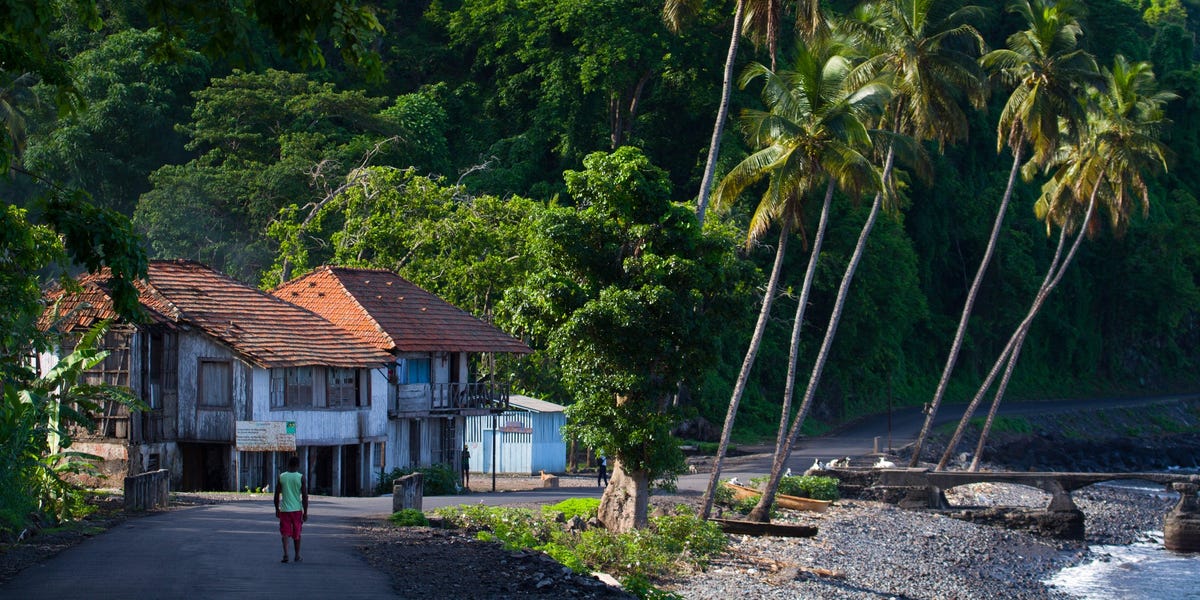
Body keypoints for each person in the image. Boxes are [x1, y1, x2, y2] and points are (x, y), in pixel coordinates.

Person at [274, 455, 308, 563]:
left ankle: (286, 554)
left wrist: (277, 509)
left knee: (285, 533)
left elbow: (276, 495)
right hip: (297, 510)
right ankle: (297, 556)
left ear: (288, 465)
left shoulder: (282, 476)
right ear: (298, 465)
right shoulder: (301, 477)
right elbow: (305, 496)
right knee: (297, 533)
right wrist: (305, 512)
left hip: (284, 510)